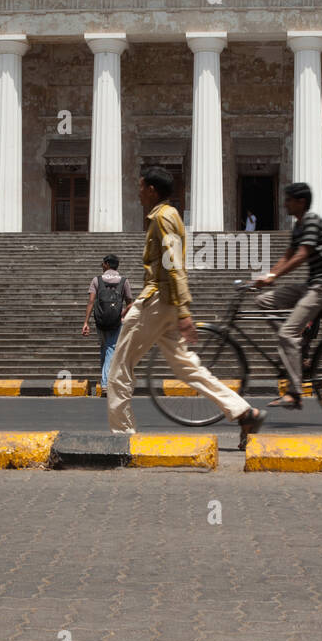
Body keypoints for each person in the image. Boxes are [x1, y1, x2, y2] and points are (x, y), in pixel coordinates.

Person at [107, 167, 267, 446]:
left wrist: (183, 310)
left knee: (119, 368)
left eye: (141, 186)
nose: (138, 191)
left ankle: (121, 438)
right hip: (165, 303)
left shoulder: (162, 218)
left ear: (153, 190)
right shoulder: (169, 216)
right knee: (187, 367)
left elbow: (174, 264)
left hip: (157, 301)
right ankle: (243, 412)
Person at [252, 182, 322, 409]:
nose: (284, 204)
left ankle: (295, 392)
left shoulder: (311, 221)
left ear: (300, 202)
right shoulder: (299, 226)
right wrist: (267, 276)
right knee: (263, 300)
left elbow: (301, 255)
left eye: (289, 200)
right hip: (310, 285)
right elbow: (288, 254)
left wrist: (274, 276)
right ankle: (295, 346)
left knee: (287, 333)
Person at [82, 254, 133, 395]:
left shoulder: (96, 280)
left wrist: (86, 322)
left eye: (103, 263)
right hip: (116, 321)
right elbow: (130, 304)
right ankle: (106, 383)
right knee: (111, 349)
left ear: (106, 264)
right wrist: (122, 315)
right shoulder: (124, 281)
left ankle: (104, 382)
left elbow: (91, 302)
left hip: (100, 321)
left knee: (105, 348)